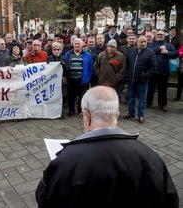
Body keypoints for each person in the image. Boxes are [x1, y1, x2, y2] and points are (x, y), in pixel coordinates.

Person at [36, 86, 179, 208]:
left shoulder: (65, 163)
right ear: (116, 115)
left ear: (86, 116)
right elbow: (171, 201)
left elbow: (45, 199)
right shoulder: (151, 158)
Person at [123, 36, 157, 123]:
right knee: (131, 98)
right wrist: (127, 74)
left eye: (145, 42)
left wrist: (145, 75)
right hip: (131, 79)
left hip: (142, 81)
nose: (143, 44)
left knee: (142, 99)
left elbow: (153, 67)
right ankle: (131, 113)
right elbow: (126, 64)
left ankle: (141, 115)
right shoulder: (131, 51)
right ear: (137, 42)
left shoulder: (150, 52)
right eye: (141, 42)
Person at [146, 30, 178, 112]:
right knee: (150, 88)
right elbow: (149, 52)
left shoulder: (168, 45)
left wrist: (167, 52)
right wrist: (159, 48)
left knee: (163, 89)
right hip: (152, 70)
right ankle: (148, 102)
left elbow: (175, 54)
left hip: (164, 70)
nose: (160, 36)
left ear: (164, 36)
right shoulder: (151, 45)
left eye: (161, 35)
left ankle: (162, 104)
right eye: (158, 34)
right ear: (155, 35)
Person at [65, 38, 93, 116]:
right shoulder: (68, 54)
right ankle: (71, 110)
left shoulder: (87, 55)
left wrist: (88, 77)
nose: (77, 45)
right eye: (75, 44)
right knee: (71, 96)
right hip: (71, 79)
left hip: (83, 79)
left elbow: (91, 67)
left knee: (82, 96)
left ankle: (80, 110)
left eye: (78, 44)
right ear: (73, 44)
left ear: (82, 45)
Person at [47, 42, 69, 116]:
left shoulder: (63, 58)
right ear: (52, 50)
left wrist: (64, 65)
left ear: (60, 50)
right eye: (54, 49)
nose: (56, 51)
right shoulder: (49, 58)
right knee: (53, 96)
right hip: (52, 81)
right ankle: (53, 112)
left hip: (61, 80)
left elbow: (68, 70)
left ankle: (60, 112)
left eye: (58, 49)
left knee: (61, 97)